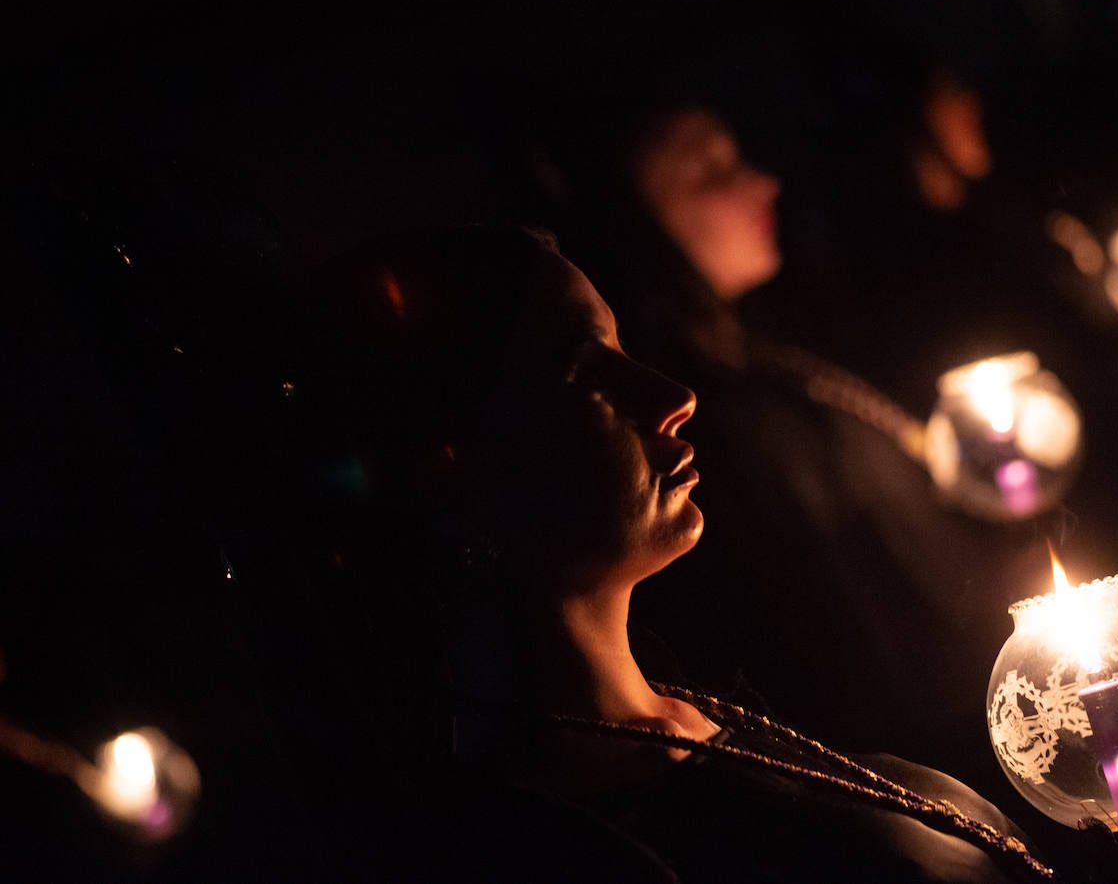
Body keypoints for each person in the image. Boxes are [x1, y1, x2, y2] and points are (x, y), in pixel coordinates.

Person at [220, 224, 1051, 882]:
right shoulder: (572, 843)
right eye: (588, 374)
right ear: (453, 469)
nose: (672, 397)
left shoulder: (706, 717)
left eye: (624, 352)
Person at [537, 95, 1050, 793]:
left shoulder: (763, 359)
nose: (763, 182)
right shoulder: (704, 428)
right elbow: (846, 630)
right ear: (629, 222)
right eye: (710, 171)